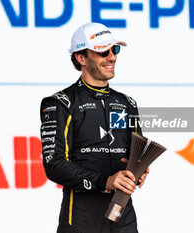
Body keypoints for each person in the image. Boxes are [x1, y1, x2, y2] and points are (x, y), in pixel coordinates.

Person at [40, 22, 148, 233]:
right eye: (103, 51)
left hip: (122, 217)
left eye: (114, 49)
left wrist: (139, 169)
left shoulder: (128, 103)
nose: (112, 57)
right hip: (82, 218)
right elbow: (54, 164)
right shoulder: (61, 103)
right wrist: (105, 181)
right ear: (81, 58)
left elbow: (137, 153)